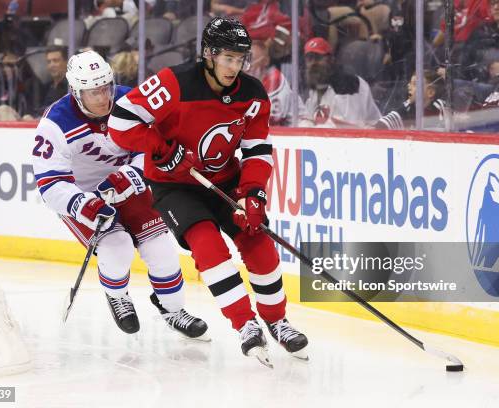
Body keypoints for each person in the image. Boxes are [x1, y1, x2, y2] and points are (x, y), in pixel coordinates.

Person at [107, 17, 308, 365]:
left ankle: (277, 320)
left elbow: (258, 150)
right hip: (172, 186)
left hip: (224, 182)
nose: (234, 67)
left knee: (258, 242)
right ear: (209, 55)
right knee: (208, 245)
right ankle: (246, 325)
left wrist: (253, 193)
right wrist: (160, 148)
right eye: (227, 58)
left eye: (240, 59)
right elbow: (120, 122)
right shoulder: (174, 83)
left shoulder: (253, 95)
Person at [31, 50, 209, 339]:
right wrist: (84, 205)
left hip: (127, 185)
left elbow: (153, 149)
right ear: (76, 92)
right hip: (82, 195)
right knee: (118, 246)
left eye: (105, 87)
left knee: (160, 249)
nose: (103, 97)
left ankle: (173, 309)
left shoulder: (130, 102)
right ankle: (117, 295)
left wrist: (133, 174)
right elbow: (49, 184)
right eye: (93, 92)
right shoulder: (55, 123)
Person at [299, 37, 381, 128]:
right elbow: (308, 119)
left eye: (318, 58)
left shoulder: (348, 83)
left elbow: (349, 126)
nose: (313, 63)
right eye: (310, 58)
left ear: (331, 59)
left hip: (370, 139)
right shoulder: (315, 88)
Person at [375, 70, 446, 130]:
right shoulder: (405, 111)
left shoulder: (441, 106)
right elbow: (381, 125)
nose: (409, 86)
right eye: (410, 83)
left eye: (414, 84)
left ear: (430, 92)